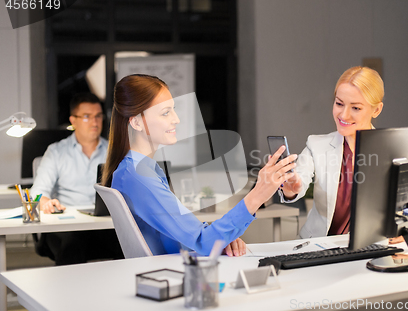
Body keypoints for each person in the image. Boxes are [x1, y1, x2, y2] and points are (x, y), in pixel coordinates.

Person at [102, 74, 296, 257]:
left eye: (173, 109)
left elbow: (187, 234)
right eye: (165, 113)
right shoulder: (139, 177)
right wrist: (258, 194)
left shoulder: (137, 170)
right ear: (136, 123)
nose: (176, 119)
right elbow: (203, 242)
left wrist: (220, 238)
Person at [280, 66, 384, 238]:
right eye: (339, 104)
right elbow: (299, 180)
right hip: (318, 247)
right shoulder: (316, 145)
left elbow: (404, 207)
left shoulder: (390, 150)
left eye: (356, 108)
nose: (344, 115)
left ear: (376, 110)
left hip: (368, 249)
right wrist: (291, 188)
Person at [30, 92, 123, 265]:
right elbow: (38, 191)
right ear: (73, 120)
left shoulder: (113, 152)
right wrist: (46, 202)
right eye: (87, 116)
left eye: (98, 116)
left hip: (103, 224)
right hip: (68, 226)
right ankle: (69, 292)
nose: (95, 122)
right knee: (72, 244)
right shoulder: (56, 151)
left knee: (128, 242)